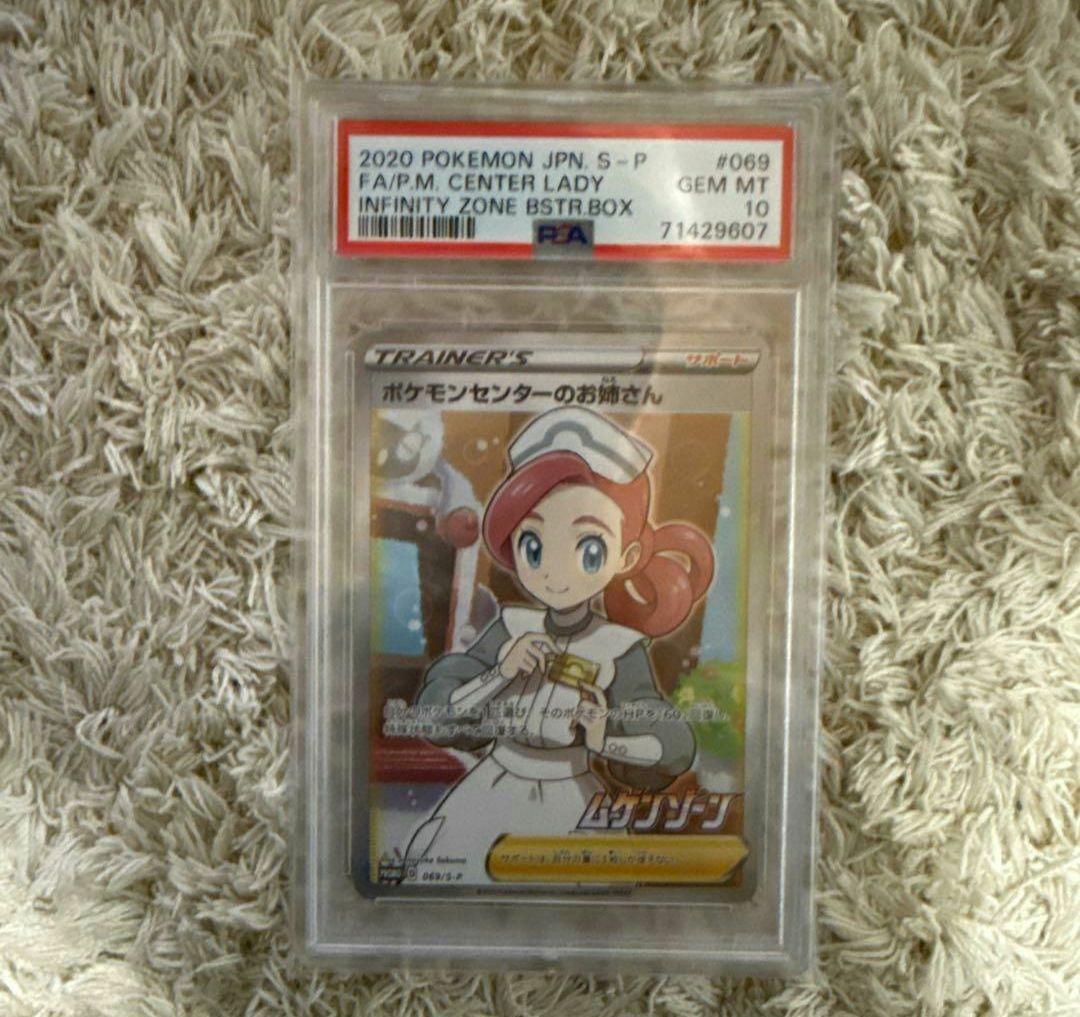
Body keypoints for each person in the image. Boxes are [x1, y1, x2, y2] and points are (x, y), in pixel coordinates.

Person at [403, 406, 715, 883]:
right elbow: (437, 713)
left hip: (569, 794)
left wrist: (604, 737)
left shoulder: (617, 646)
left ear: (626, 555)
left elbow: (671, 746)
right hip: (492, 786)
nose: (555, 572)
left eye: (589, 550)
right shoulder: (512, 626)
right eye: (533, 545)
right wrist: (499, 673)